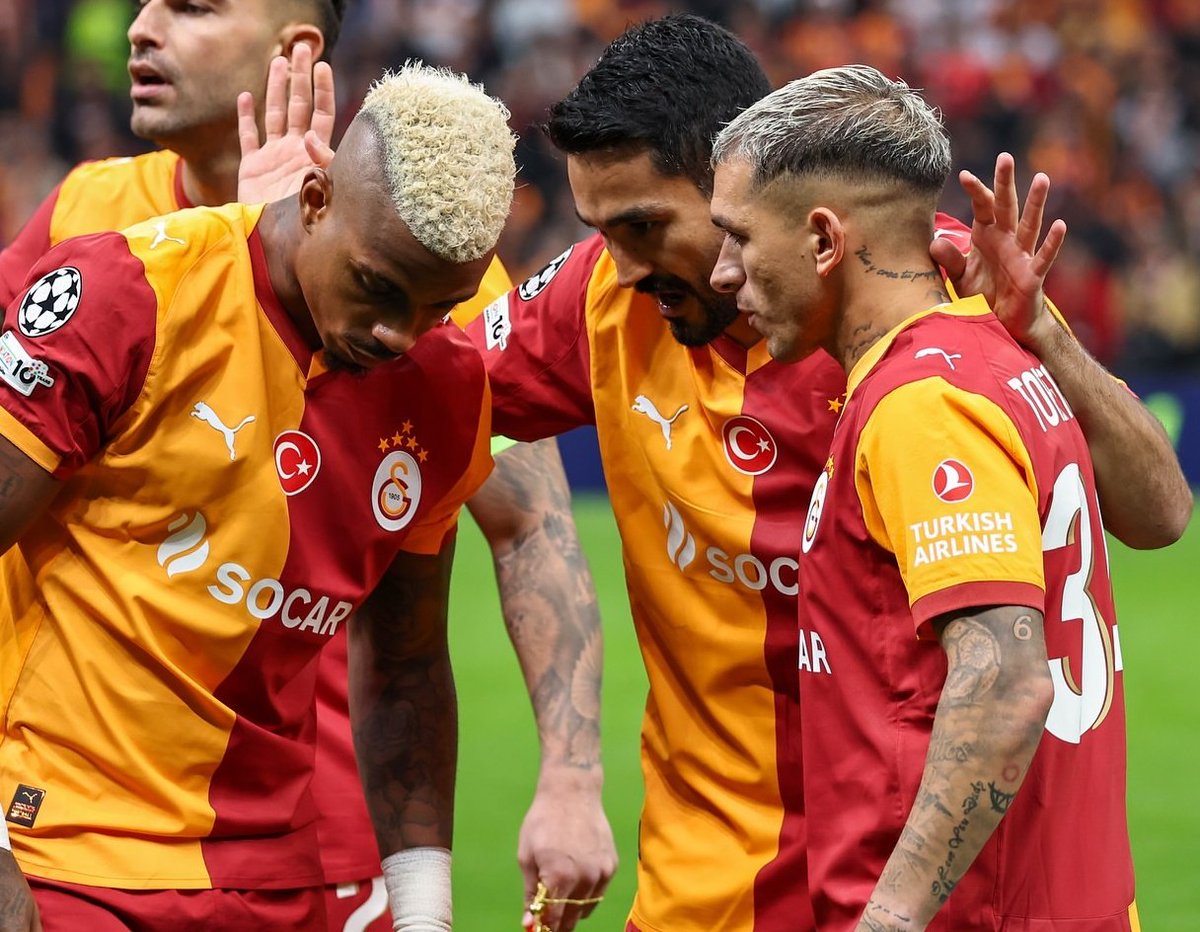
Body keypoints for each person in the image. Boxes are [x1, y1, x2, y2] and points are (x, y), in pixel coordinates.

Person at [459, 14, 1188, 930]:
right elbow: (416, 384)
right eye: (600, 231)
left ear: (762, 198)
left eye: (647, 225)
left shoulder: (934, 316)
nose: (622, 265)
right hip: (714, 894)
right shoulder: (607, 299)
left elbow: (1145, 528)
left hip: (923, 887)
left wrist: (1044, 335)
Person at [0, 2, 615, 930]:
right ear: (316, 202)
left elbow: (452, 608)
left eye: (196, 6)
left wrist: (563, 781)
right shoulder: (107, 252)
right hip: (69, 840)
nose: (398, 333)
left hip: (303, 843)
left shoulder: (437, 325)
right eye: (375, 289)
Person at [708, 63, 1142, 930]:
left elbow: (1006, 683)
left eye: (740, 237)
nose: (723, 273)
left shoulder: (920, 406)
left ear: (824, 240)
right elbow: (1165, 515)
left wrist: (889, 918)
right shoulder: (998, 357)